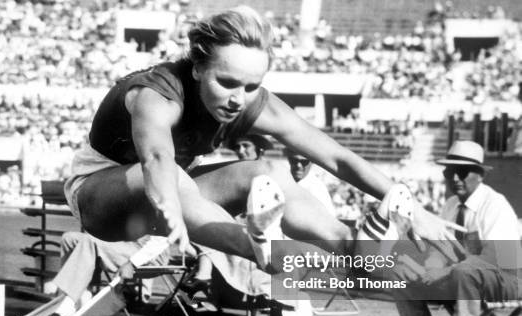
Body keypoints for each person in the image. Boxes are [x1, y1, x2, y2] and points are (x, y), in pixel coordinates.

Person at [64, 6, 462, 278]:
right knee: (178, 180)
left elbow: (335, 157)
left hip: (176, 193)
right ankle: (260, 249)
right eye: (228, 82)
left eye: (252, 86)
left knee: (267, 171)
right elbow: (156, 157)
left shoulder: (250, 102)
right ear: (199, 67)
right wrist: (168, 211)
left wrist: (411, 207)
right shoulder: (158, 93)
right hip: (100, 197)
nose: (238, 97)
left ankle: (355, 249)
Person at [392, 141, 521, 316]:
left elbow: (496, 257)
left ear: (480, 175)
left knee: (464, 271)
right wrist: (430, 267)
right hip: (464, 278)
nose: (455, 178)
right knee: (401, 268)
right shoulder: (450, 204)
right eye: (450, 172)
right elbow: (440, 249)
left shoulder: (495, 204)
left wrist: (444, 271)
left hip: (507, 278)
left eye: (462, 172)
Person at [34, 232, 171, 316]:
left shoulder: (157, 196)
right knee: (69, 238)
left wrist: (131, 263)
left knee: (89, 242)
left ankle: (65, 309)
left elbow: (161, 241)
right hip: (127, 243)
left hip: (151, 253)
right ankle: (81, 301)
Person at [284, 147, 336, 216]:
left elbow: (328, 219)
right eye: (294, 160)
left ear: (312, 162)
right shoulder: (282, 179)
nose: (298, 165)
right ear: (289, 160)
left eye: (304, 162)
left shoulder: (317, 189)